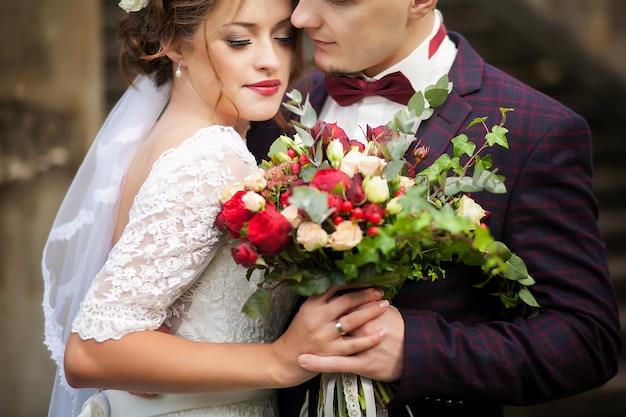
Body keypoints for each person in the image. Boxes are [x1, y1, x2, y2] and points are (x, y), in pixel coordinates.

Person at [246, 1, 623, 416]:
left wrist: (417, 351)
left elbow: (586, 340)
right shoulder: (275, 106)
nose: (301, 18)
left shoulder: (535, 130)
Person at [41, 1, 392, 416]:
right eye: (239, 41)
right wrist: (280, 361)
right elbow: (92, 353)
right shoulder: (209, 157)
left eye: (282, 37)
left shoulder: (167, 136)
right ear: (175, 43)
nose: (270, 61)